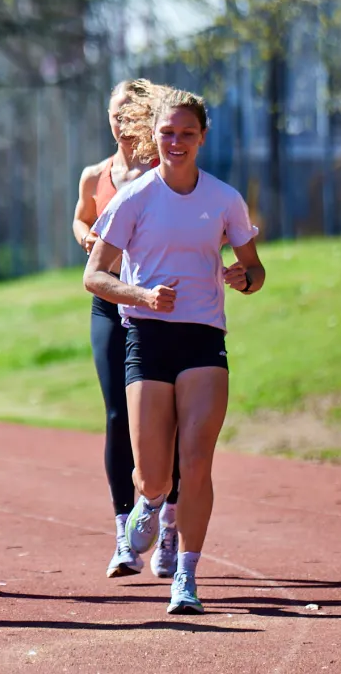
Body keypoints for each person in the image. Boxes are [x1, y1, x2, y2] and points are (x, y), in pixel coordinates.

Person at [84, 88, 266, 615]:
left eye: (187, 133)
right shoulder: (133, 198)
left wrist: (244, 277)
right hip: (147, 336)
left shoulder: (225, 199)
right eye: (168, 133)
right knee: (155, 471)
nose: (177, 142)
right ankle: (148, 500)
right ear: (154, 137)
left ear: (202, 137)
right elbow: (93, 275)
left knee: (198, 461)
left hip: (204, 336)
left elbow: (254, 268)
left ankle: (185, 577)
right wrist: (141, 295)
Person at [72, 78, 184, 579]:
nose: (120, 119)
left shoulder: (166, 172)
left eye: (129, 111)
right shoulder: (96, 174)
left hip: (161, 309)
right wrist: (86, 235)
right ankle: (124, 529)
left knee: (168, 421)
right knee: (119, 415)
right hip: (110, 301)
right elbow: (80, 219)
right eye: (113, 110)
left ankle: (169, 526)